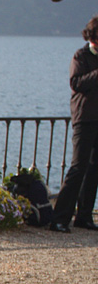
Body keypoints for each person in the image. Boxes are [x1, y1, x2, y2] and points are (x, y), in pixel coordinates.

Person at [51, 16, 98, 232]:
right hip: (84, 117)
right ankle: (59, 218)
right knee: (78, 167)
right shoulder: (81, 55)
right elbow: (76, 83)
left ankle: (84, 216)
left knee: (94, 169)